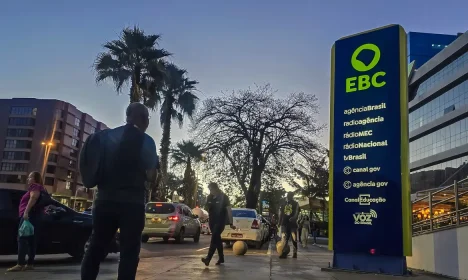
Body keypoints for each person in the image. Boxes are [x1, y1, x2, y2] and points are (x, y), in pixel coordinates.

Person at [81, 103, 159, 280]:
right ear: (140, 118)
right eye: (146, 117)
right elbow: (151, 176)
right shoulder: (146, 141)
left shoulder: (104, 137)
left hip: (104, 201)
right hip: (132, 203)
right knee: (129, 253)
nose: (147, 121)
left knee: (95, 248)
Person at [7, 171, 47, 272]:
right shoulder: (42, 188)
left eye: (30, 177)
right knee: (32, 241)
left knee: (22, 238)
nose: (28, 179)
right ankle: (30, 264)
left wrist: (26, 212)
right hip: (36, 217)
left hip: (29, 216)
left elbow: (33, 197)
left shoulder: (34, 186)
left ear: (35, 179)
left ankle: (20, 264)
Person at [202, 182, 235, 266]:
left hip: (220, 221)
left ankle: (208, 258)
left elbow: (229, 210)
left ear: (216, 188)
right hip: (212, 221)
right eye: (209, 190)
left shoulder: (224, 197)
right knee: (217, 239)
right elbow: (206, 209)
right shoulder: (209, 197)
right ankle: (221, 258)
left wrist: (231, 223)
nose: (210, 191)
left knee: (214, 238)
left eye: (211, 189)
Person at [278, 192, 299, 259]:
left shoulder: (296, 203)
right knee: (284, 238)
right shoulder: (283, 203)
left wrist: (294, 218)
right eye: (288, 195)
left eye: (290, 196)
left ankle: (295, 252)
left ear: (292, 196)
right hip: (284, 223)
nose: (289, 197)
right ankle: (284, 252)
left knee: (293, 238)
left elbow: (297, 212)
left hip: (292, 224)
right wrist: (279, 222)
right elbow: (281, 213)